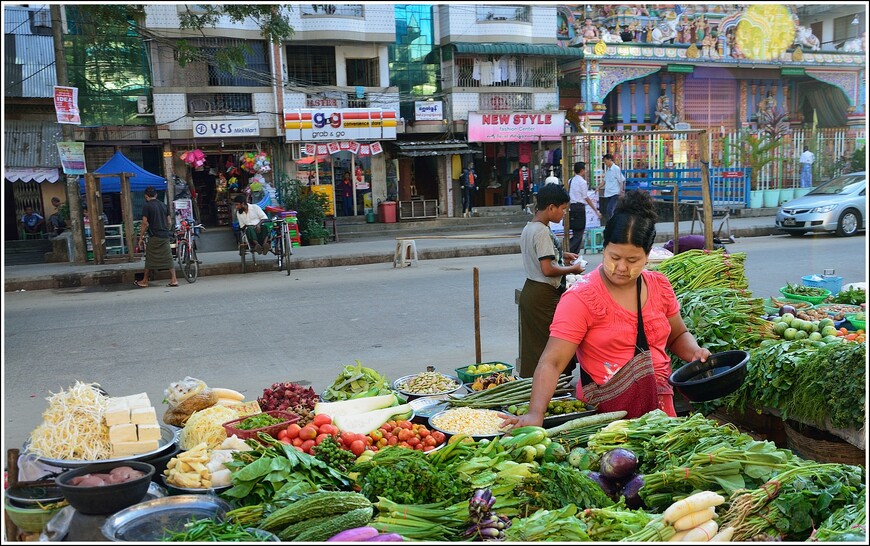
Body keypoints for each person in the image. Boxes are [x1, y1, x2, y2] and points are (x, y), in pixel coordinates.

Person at [505, 191, 711, 426]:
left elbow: (677, 335)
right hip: (607, 421)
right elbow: (552, 362)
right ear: (604, 249)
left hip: (660, 414)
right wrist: (535, 413)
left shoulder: (659, 286)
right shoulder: (581, 298)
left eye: (633, 260)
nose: (621, 267)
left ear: (647, 256)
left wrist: (694, 352)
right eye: (614, 257)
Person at [518, 184, 586, 378]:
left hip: (532, 291)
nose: (564, 214)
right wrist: (574, 269)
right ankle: (551, 388)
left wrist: (561, 255)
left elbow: (540, 256)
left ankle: (536, 387)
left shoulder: (530, 227)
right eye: (563, 209)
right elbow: (547, 269)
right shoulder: (541, 231)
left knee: (536, 348)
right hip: (543, 296)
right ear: (551, 208)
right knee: (553, 347)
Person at [135, 186, 179, 288]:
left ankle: (145, 280)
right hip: (164, 235)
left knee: (150, 258)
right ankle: (174, 279)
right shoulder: (163, 205)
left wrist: (141, 237)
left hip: (154, 236)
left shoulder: (147, 206)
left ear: (146, 196)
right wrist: (164, 229)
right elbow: (169, 221)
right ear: (156, 195)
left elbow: (145, 223)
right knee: (168, 257)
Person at [568, 161, 602, 255]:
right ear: (582, 170)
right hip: (579, 208)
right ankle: (571, 250)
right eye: (585, 169)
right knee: (579, 231)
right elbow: (585, 197)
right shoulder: (582, 182)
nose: (586, 171)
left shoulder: (570, 181)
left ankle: (572, 252)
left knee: (575, 231)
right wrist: (596, 210)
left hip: (571, 207)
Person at [601, 153, 625, 224]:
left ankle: (612, 223)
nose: (605, 163)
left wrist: (621, 191)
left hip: (615, 193)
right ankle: (614, 222)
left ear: (610, 160)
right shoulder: (608, 171)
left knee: (609, 209)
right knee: (610, 209)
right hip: (608, 193)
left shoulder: (616, 169)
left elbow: (621, 180)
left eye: (605, 161)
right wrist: (598, 188)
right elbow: (604, 181)